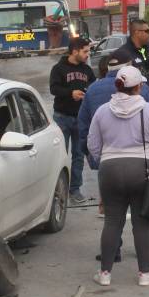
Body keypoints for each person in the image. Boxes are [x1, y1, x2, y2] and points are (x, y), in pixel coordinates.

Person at [87, 66, 149, 287]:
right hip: (144, 169)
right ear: (139, 87)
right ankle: (145, 273)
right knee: (142, 223)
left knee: (112, 221)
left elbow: (93, 145)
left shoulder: (102, 111)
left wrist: (105, 160)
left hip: (110, 170)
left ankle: (104, 273)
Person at [81, 48, 149, 254]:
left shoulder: (93, 90)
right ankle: (143, 262)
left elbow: (84, 127)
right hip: (140, 163)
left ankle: (112, 254)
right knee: (140, 215)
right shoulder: (142, 88)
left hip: (108, 163)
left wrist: (94, 158)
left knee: (112, 216)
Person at [49, 37, 96, 203]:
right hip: (62, 118)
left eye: (88, 51)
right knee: (59, 156)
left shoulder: (87, 70)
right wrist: (71, 93)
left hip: (81, 118)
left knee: (78, 155)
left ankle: (75, 190)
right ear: (75, 51)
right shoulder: (58, 69)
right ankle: (57, 192)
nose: (87, 54)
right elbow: (54, 89)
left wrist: (87, 93)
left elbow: (93, 87)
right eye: (85, 51)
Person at [117, 19, 149, 114]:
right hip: (134, 106)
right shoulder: (123, 54)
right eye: (147, 31)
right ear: (137, 32)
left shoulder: (146, 51)